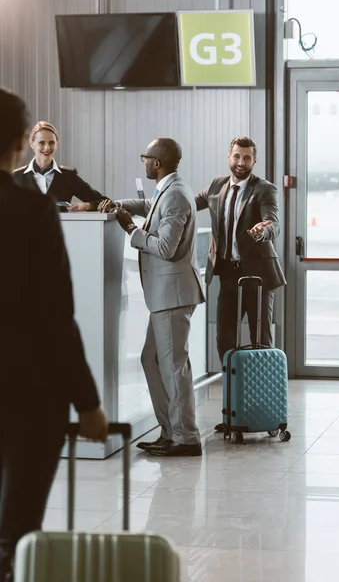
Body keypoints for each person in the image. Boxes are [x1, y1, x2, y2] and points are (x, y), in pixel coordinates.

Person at [0, 88, 108, 582]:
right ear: (21, 144)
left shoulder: (52, 187)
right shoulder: (27, 208)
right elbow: (55, 314)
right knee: (17, 529)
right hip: (26, 390)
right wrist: (86, 401)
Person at [99, 138, 204, 457]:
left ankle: (186, 437)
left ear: (157, 163)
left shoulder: (175, 195)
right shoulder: (170, 189)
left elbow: (165, 248)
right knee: (152, 359)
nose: (143, 161)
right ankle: (171, 430)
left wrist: (129, 228)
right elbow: (150, 208)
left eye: (146, 157)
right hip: (166, 296)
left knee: (174, 367)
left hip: (172, 296)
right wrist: (116, 204)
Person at [195, 136, 286, 430]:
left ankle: (267, 413)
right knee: (225, 343)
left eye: (247, 158)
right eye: (237, 157)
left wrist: (263, 230)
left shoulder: (264, 189)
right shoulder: (216, 186)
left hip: (257, 277)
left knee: (260, 342)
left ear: (254, 161)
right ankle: (235, 410)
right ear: (229, 156)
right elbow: (182, 202)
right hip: (228, 276)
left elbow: (273, 221)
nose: (241, 163)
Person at [12, 120, 108, 211]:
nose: (47, 148)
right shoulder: (17, 177)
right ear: (32, 143)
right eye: (42, 143)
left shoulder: (69, 176)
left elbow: (104, 202)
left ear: (56, 144)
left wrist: (86, 206)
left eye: (51, 143)